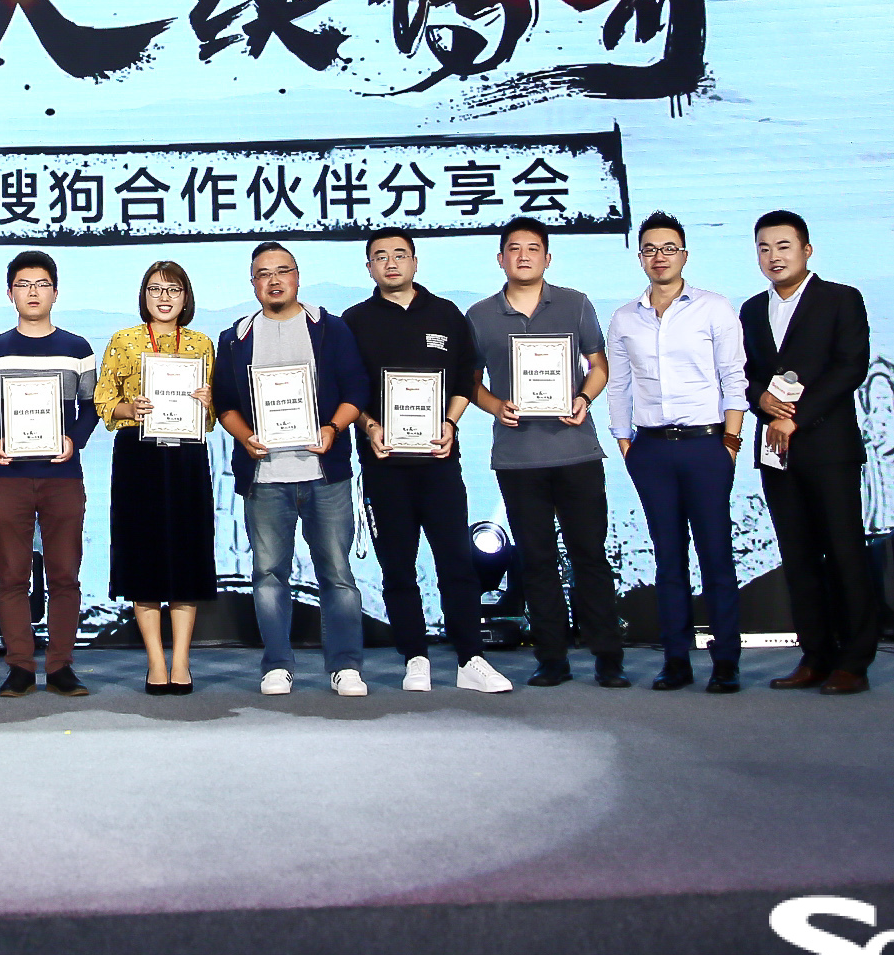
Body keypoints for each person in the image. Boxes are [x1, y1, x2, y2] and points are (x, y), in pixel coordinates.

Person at [342, 229, 511, 695]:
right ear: (369, 268)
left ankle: (470, 658)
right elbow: (349, 389)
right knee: (397, 568)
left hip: (439, 462)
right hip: (383, 465)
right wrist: (369, 426)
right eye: (380, 257)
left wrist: (451, 423)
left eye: (400, 255)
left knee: (457, 562)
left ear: (415, 262)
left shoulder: (446, 314)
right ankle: (415, 657)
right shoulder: (354, 321)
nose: (391, 263)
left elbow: (465, 379)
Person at [467, 219, 622, 689]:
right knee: (536, 560)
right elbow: (470, 383)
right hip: (518, 458)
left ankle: (608, 657)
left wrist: (584, 397)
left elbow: (599, 365)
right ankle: (551, 658)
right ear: (500, 259)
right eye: (514, 249)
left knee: (589, 556)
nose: (524, 256)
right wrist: (496, 406)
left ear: (547, 258)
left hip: (576, 453)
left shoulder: (575, 304)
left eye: (533, 248)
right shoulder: (479, 315)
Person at [213, 241, 372, 698]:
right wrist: (245, 437)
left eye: (283, 270)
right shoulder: (235, 336)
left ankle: (345, 665)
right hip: (265, 478)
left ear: (297, 277)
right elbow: (224, 404)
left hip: (325, 474)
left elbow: (356, 389)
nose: (274, 280)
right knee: (268, 576)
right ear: (253, 284)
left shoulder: (330, 328)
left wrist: (333, 429)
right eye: (264, 273)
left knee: (337, 573)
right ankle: (277, 664)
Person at [605, 213, 750, 694]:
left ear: (684, 254)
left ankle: (726, 661)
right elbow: (619, 384)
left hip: (707, 446)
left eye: (668, 248)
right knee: (668, 559)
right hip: (650, 450)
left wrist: (730, 443)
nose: (659, 257)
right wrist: (625, 442)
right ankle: (675, 660)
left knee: (716, 555)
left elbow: (734, 378)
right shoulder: (625, 317)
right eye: (650, 249)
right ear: (639, 257)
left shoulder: (714, 308)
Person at [740, 210, 879, 695]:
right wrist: (760, 399)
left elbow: (850, 367)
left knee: (844, 552)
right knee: (797, 557)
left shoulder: (841, 298)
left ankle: (854, 662)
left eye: (783, 246)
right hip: (776, 453)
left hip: (828, 447)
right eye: (764, 248)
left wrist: (796, 418)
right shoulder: (751, 310)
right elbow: (745, 373)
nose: (773, 257)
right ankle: (816, 655)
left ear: (806, 250)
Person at [0, 251, 100, 697]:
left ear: (55, 293)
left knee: (64, 574)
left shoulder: (78, 349)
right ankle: (20, 667)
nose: (32, 292)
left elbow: (91, 406)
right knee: (11, 576)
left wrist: (74, 440)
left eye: (41, 284)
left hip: (63, 476)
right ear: (10, 294)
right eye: (23, 284)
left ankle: (61, 666)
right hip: (9, 477)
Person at [95, 261, 217, 695]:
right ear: (143, 296)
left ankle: (181, 661)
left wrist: (208, 402)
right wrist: (131, 408)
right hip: (138, 455)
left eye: (173, 290)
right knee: (141, 555)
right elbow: (104, 400)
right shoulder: (123, 340)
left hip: (186, 457)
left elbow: (211, 420)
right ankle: (155, 662)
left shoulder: (201, 343)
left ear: (186, 297)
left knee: (187, 555)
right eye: (155, 289)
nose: (164, 298)